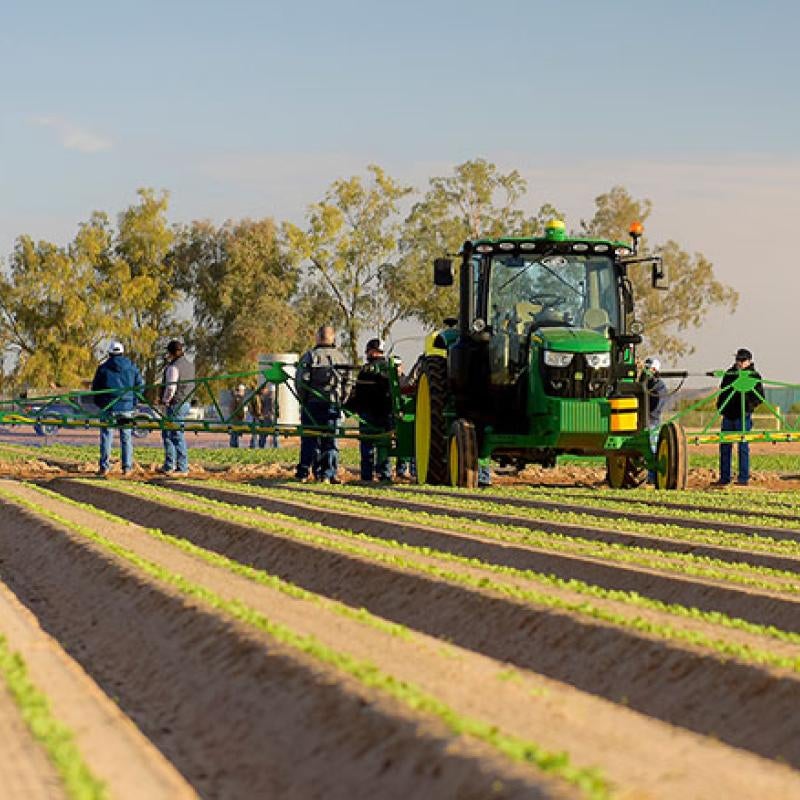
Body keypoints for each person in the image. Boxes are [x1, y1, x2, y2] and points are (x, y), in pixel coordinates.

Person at [295, 325, 351, 483]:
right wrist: (342, 400)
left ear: (318, 337)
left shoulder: (310, 356)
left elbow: (301, 381)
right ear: (332, 337)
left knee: (309, 439)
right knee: (330, 439)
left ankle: (304, 472)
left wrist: (303, 400)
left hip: (312, 404)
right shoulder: (341, 357)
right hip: (333, 405)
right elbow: (348, 382)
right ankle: (329, 474)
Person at [91, 341, 144, 476]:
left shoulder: (103, 368)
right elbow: (140, 386)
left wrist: (101, 404)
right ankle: (127, 468)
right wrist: (133, 402)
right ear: (122, 352)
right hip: (126, 407)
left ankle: (104, 467)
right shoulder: (132, 368)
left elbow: (95, 389)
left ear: (109, 353)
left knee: (106, 436)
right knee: (126, 437)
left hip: (108, 407)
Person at [715, 347, 764, 487]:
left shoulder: (754, 376)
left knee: (743, 446)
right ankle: (724, 477)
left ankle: (743, 478)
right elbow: (723, 392)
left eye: (743, 360)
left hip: (743, 416)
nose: (740, 363)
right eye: (738, 359)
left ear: (749, 361)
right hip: (728, 415)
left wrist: (749, 405)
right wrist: (721, 406)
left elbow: (759, 397)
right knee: (725, 446)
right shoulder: (729, 374)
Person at [347, 338, 393, 482]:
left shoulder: (366, 371)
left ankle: (367, 476)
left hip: (367, 414)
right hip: (386, 413)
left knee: (367, 446)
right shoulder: (390, 369)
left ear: (372, 352)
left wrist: (349, 407)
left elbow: (358, 393)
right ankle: (385, 474)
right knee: (384, 445)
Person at [159, 340, 195, 477]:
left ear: (171, 352)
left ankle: (178, 466)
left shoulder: (173, 367)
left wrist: (165, 400)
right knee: (176, 433)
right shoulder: (190, 365)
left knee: (172, 434)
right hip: (186, 402)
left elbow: (171, 387)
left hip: (175, 404)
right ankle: (174, 465)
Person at [641, 357, 667, 484]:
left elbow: (658, 405)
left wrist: (650, 416)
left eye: (648, 368)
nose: (646, 370)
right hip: (641, 420)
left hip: (652, 421)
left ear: (655, 370)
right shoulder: (643, 383)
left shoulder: (659, 386)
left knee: (652, 448)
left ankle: (653, 476)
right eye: (645, 368)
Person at [250, 382, 279, 448]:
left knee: (265, 433)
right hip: (265, 417)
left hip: (266, 417)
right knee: (269, 433)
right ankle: (271, 445)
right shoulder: (262, 396)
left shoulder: (266, 397)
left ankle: (262, 445)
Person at [229, 383, 248, 448]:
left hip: (235, 418)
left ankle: (233, 444)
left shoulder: (235, 398)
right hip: (237, 419)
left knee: (235, 433)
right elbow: (239, 410)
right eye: (243, 391)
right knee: (235, 432)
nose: (244, 392)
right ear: (241, 391)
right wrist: (243, 415)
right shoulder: (238, 398)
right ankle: (234, 445)